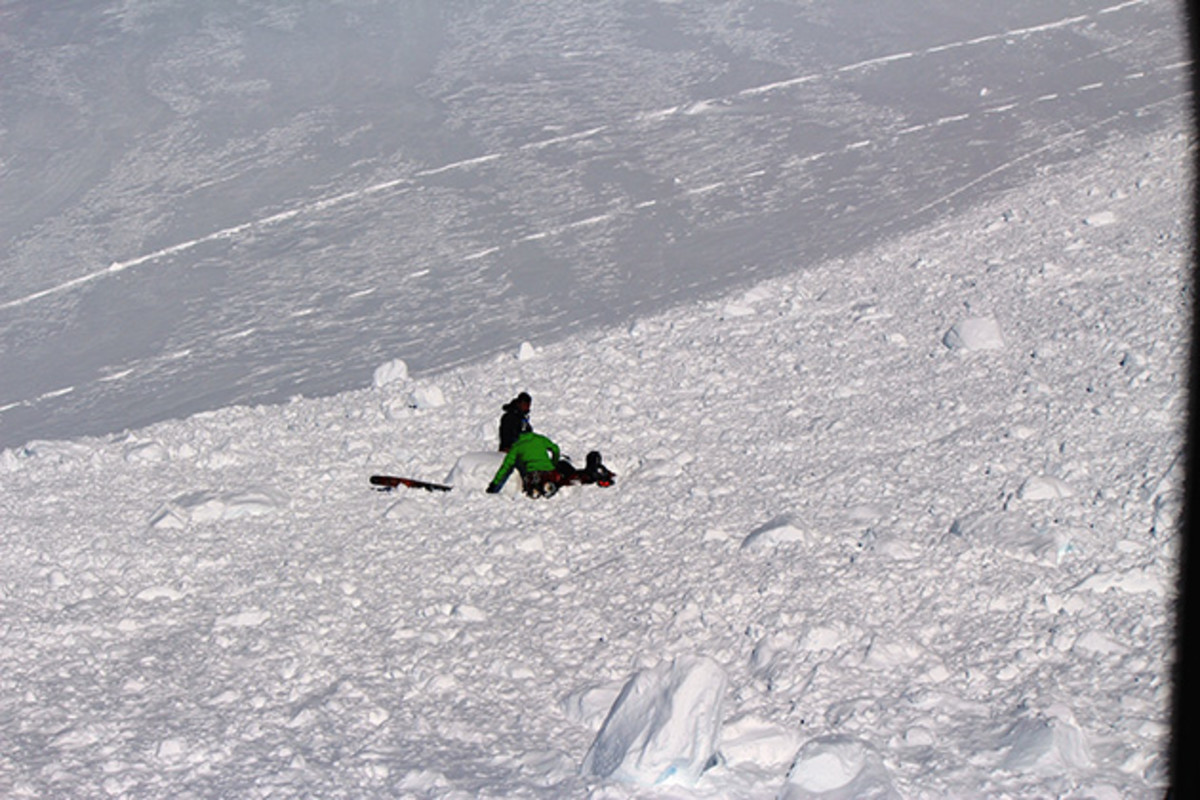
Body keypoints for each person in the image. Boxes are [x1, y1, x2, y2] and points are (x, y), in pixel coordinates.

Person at [487, 430, 562, 497]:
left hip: (532, 472)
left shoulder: (517, 446)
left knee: (517, 462)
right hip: (550, 470)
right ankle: (548, 484)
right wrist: (553, 463)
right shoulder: (540, 439)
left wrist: (494, 485)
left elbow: (506, 466)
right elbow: (555, 449)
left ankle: (535, 488)